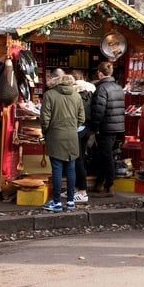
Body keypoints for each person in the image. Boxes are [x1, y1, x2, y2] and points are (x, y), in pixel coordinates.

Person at [40, 70, 85, 213]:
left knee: (57, 169)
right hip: (72, 136)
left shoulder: (49, 95)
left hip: (55, 135)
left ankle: (57, 202)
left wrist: (46, 132)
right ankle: (71, 201)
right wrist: (73, 127)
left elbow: (44, 118)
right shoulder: (77, 95)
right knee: (71, 168)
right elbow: (81, 118)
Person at [89, 61, 125, 197]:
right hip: (116, 127)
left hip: (105, 127)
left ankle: (109, 186)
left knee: (106, 156)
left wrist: (94, 127)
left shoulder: (101, 89)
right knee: (104, 155)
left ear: (99, 73)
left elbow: (99, 111)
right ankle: (99, 183)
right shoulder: (118, 87)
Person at [71, 70, 95, 201]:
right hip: (86, 129)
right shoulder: (90, 92)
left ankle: (82, 191)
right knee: (81, 159)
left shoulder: (74, 94)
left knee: (77, 160)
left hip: (77, 129)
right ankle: (76, 188)